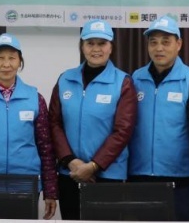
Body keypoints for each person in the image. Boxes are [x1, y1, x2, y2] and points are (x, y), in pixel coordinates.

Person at [49, 19, 137, 221]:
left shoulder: (123, 82)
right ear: (82, 46)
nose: (96, 49)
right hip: (70, 174)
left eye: (102, 43)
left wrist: (94, 166)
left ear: (111, 47)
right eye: (90, 43)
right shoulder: (65, 79)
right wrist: (71, 162)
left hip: (107, 177)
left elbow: (123, 130)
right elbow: (54, 122)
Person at [0, 34, 58, 220]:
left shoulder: (35, 99)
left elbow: (46, 148)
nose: (6, 64)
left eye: (12, 58)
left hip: (25, 186)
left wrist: (50, 191)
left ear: (20, 62)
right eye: (0, 58)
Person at [128, 16, 189, 221]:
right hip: (139, 175)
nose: (159, 48)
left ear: (178, 44)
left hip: (180, 178)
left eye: (166, 42)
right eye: (153, 42)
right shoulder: (136, 78)